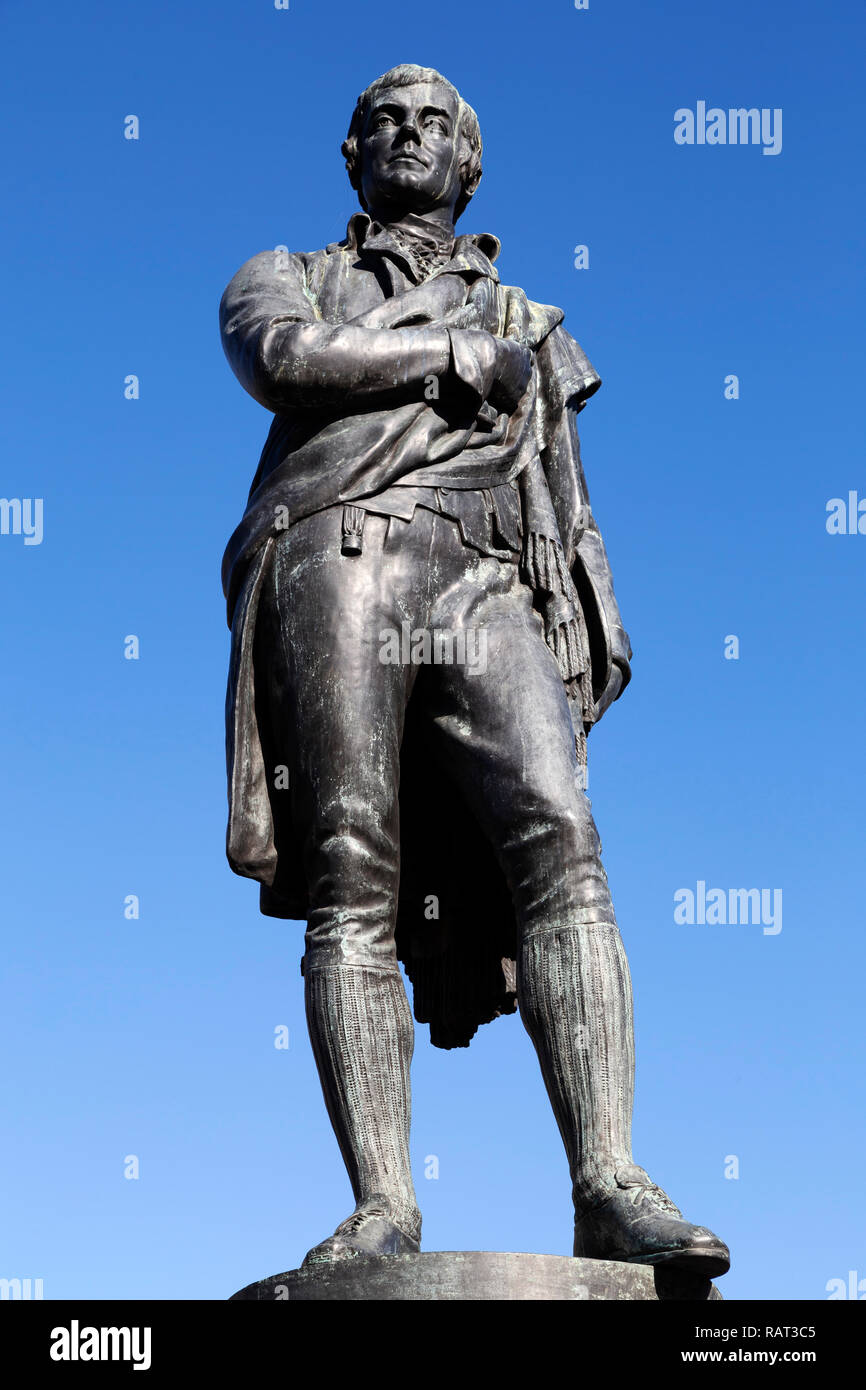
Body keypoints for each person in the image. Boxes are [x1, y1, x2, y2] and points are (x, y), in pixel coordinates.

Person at [219, 63, 730, 1279]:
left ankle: (606, 1178)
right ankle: (384, 1205)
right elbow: (284, 359)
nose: (409, 133)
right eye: (384, 121)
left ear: (469, 164)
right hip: (338, 550)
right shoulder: (286, 272)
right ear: (352, 154)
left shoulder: (530, 319)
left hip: (484, 570)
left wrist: (576, 616)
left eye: (434, 122)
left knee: (562, 841)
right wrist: (446, 353)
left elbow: (567, 500)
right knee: (353, 861)